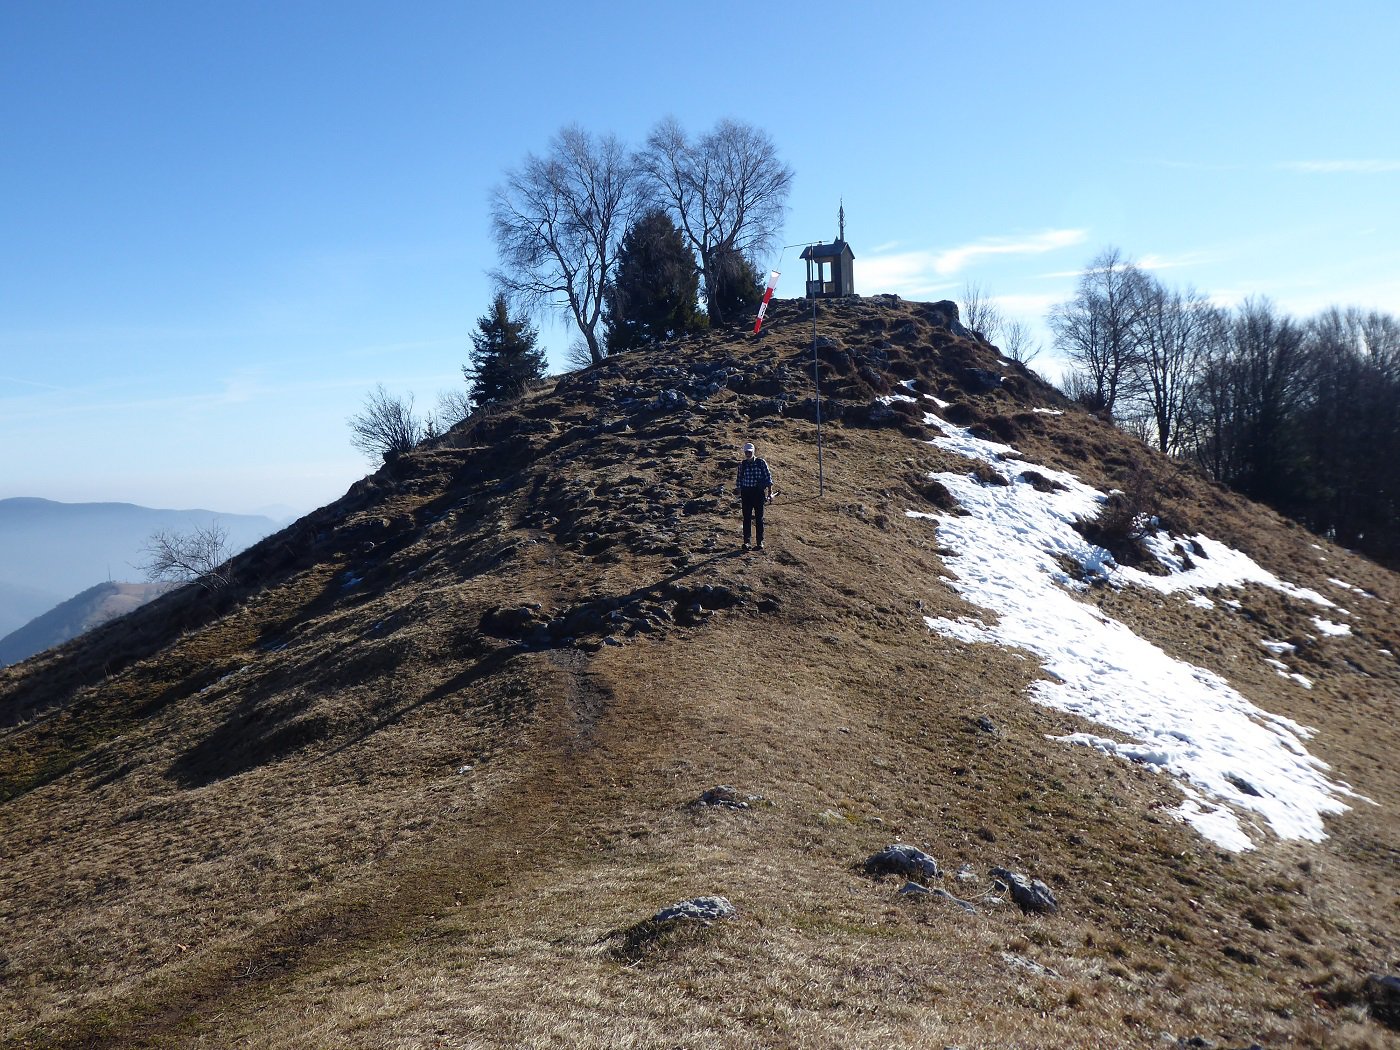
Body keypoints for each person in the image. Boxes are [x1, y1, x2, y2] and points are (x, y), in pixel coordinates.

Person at [735, 441, 773, 549]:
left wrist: (769, 493)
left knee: (759, 518)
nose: (748, 454)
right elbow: (739, 480)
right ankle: (747, 542)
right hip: (746, 493)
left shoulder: (761, 463)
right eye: (746, 452)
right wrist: (738, 492)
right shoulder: (742, 465)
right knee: (746, 518)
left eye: (750, 452)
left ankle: (759, 542)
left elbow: (768, 478)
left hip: (758, 493)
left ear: (753, 452)